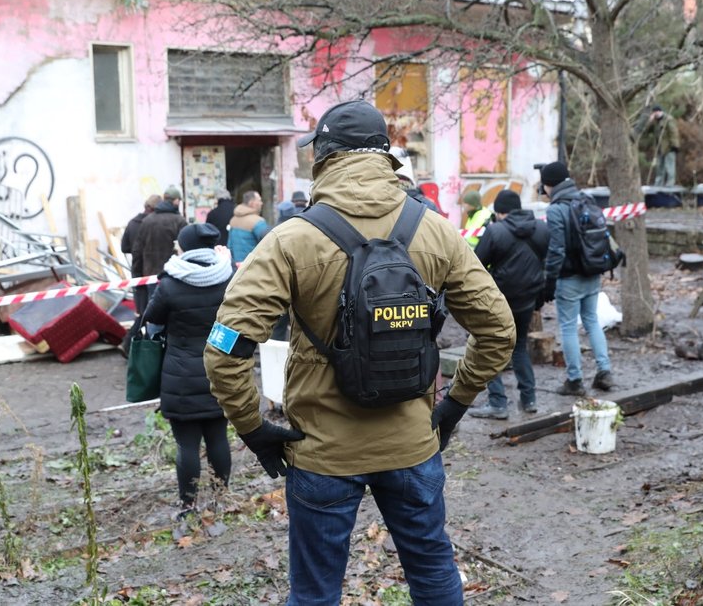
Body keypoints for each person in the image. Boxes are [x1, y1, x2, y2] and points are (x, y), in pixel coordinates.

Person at [204, 99, 514, 606]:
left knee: (315, 594)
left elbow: (225, 348)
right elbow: (498, 330)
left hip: (322, 451)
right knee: (434, 575)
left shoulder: (291, 240)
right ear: (385, 158)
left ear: (324, 158)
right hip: (414, 446)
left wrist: (254, 427)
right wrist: (453, 406)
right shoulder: (435, 230)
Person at [143, 223, 235, 520]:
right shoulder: (227, 277)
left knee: (186, 445)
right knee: (219, 438)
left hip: (180, 376)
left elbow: (151, 322)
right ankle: (220, 498)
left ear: (185, 247)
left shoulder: (170, 284)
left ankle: (187, 506)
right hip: (220, 370)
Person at [467, 189, 548, 419]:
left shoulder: (495, 231)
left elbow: (476, 264)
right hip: (527, 300)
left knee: (488, 347)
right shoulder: (541, 228)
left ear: (500, 212)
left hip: (499, 301)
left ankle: (498, 403)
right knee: (519, 347)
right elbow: (547, 261)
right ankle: (529, 399)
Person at [541, 162, 614, 396]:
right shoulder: (586, 199)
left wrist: (549, 281)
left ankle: (574, 380)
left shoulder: (555, 210)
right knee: (592, 320)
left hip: (569, 277)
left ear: (548, 185)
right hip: (592, 271)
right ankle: (605, 371)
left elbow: (556, 251)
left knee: (569, 327)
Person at [122, 186, 188, 354]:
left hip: (151, 276)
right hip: (175, 277)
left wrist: (137, 278)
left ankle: (153, 351)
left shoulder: (148, 220)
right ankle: (171, 350)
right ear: (176, 201)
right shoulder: (179, 221)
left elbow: (137, 251)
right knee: (174, 316)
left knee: (153, 316)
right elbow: (187, 249)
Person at [120, 193, 160, 319]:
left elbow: (124, 247)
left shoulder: (132, 223)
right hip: (155, 268)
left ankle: (141, 332)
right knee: (154, 307)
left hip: (138, 267)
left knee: (141, 308)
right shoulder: (156, 223)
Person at [639, 105, 680, 187]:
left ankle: (670, 184)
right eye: (654, 112)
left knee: (669, 166)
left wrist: (675, 145)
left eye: (657, 112)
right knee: (659, 167)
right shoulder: (654, 121)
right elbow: (646, 131)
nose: (656, 114)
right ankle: (658, 184)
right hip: (659, 148)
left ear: (660, 111)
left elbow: (674, 133)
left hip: (669, 147)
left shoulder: (668, 120)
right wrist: (649, 121)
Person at [227, 190, 270, 262]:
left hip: (237, 266)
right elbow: (269, 245)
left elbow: (229, 246)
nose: (261, 203)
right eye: (259, 200)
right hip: (253, 266)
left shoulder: (233, 220)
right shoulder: (257, 222)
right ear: (252, 203)